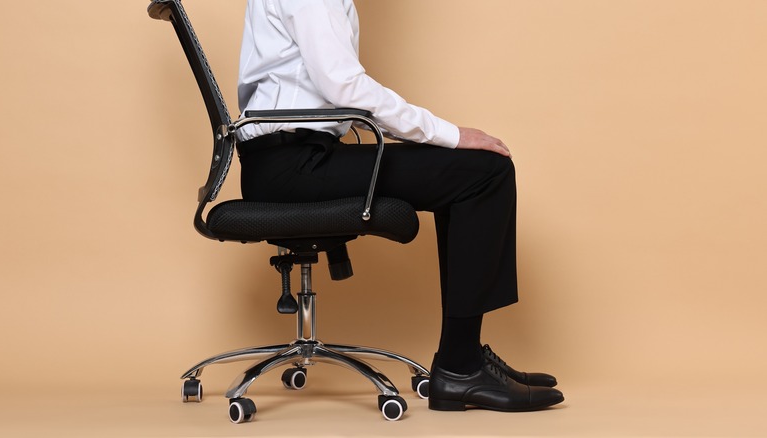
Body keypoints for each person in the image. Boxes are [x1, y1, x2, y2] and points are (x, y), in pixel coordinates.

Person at [235, 0, 564, 412]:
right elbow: (344, 86)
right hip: (293, 165)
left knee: (472, 171)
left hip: (293, 159)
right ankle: (460, 367)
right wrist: (447, 134)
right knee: (484, 174)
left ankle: (464, 358)